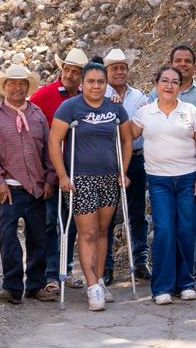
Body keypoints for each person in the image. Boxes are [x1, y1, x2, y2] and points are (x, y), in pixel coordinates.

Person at [49, 62, 132, 312]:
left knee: (103, 231)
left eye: (100, 82)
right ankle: (92, 285)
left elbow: (127, 140)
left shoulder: (115, 108)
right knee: (87, 233)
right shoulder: (70, 107)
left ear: (106, 84)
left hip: (108, 178)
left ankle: (100, 279)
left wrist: (123, 171)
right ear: (83, 84)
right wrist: (63, 176)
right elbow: (54, 141)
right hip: (81, 179)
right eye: (91, 82)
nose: (96, 86)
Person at [0, 64, 56, 305]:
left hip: (36, 188)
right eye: (12, 83)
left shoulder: (37, 115)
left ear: (27, 87)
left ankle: (36, 285)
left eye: (22, 83)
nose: (17, 87)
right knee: (8, 238)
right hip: (9, 189)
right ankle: (12, 287)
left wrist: (50, 179)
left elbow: (49, 150)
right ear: (4, 87)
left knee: (38, 238)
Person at [132, 65, 196, 304]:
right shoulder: (145, 112)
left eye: (175, 82)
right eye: (165, 80)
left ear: (180, 87)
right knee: (164, 230)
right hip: (159, 181)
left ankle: (185, 283)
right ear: (156, 84)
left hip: (188, 178)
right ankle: (162, 287)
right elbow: (126, 136)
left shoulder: (191, 111)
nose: (169, 86)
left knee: (186, 230)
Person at [158, 44, 196, 282]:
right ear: (171, 63)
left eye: (187, 61)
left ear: (194, 66)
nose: (182, 64)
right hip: (165, 167)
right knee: (170, 219)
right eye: (178, 60)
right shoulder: (158, 92)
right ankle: (176, 262)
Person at [32, 48, 87, 301]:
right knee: (51, 222)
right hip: (53, 172)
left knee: (73, 222)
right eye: (67, 69)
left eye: (76, 71)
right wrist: (45, 174)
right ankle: (51, 274)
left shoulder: (88, 97)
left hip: (79, 171)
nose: (70, 74)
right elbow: (32, 130)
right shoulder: (45, 95)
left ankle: (65, 269)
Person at [103, 48, 151, 284]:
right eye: (114, 68)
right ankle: (106, 264)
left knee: (137, 211)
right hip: (109, 159)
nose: (119, 72)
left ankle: (141, 260)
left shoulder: (139, 96)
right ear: (107, 71)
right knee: (109, 213)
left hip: (137, 158)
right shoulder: (99, 93)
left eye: (123, 67)